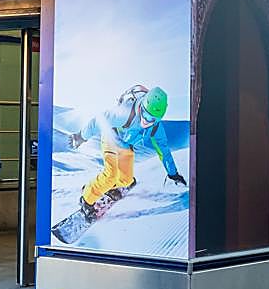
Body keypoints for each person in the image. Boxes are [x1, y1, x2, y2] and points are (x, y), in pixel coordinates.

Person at [67, 84, 186, 222]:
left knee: (127, 180)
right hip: (111, 139)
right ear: (141, 106)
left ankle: (105, 188)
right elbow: (98, 120)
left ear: (158, 119)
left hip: (126, 147)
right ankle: (86, 199)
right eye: (144, 113)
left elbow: (164, 151)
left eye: (151, 118)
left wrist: (172, 173)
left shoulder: (156, 129)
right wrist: (81, 136)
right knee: (110, 175)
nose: (146, 120)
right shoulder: (125, 112)